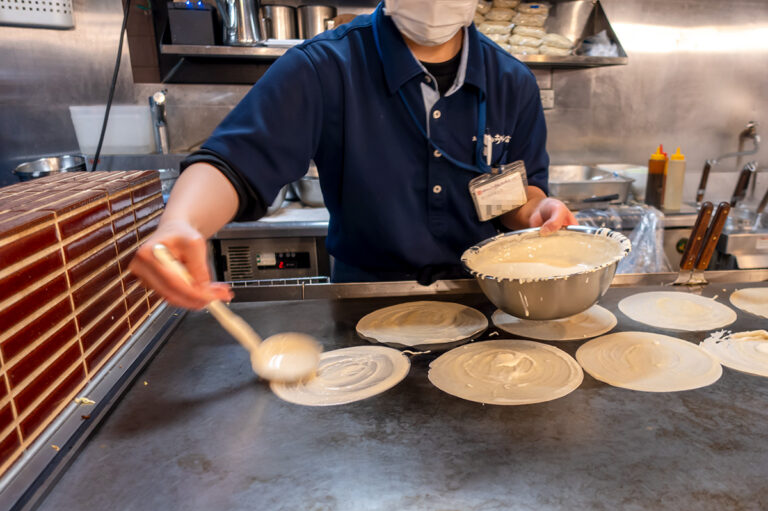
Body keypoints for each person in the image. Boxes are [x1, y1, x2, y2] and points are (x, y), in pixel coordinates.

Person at [130, 0, 577, 310]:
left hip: (481, 299)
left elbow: (520, 196)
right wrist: (180, 224)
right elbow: (234, 163)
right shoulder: (324, 66)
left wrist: (539, 211)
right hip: (364, 302)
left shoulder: (512, 82)